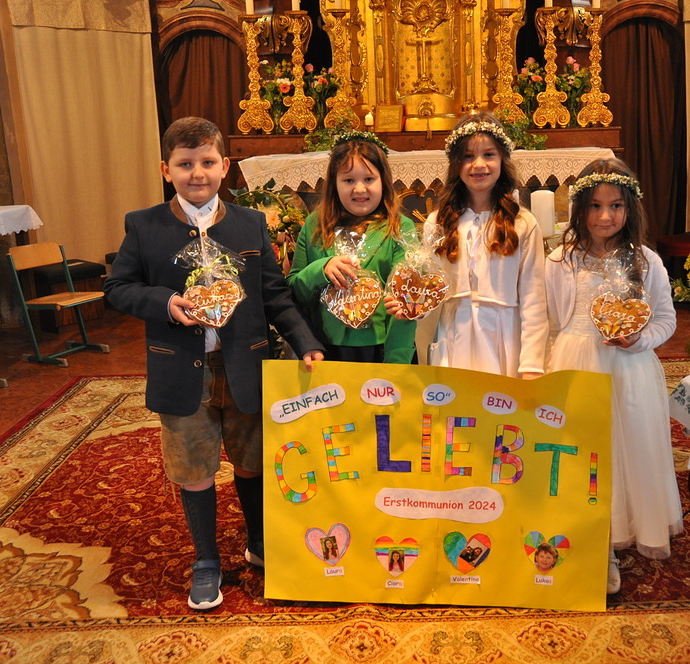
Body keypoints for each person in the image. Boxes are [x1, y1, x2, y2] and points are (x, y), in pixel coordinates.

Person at [104, 116, 325, 611]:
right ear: (166, 170)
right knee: (194, 466)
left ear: (225, 166)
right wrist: (165, 302)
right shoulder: (144, 225)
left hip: (245, 365)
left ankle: (259, 541)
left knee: (252, 460)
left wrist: (305, 341)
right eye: (185, 164)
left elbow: (274, 294)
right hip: (184, 370)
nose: (197, 173)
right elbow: (118, 288)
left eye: (207, 162)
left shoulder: (249, 223)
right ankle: (206, 559)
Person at [544, 157, 683, 595]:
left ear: (630, 208)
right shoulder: (560, 260)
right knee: (581, 453)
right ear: (579, 208)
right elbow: (550, 320)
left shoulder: (647, 261)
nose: (605, 216)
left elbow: (666, 320)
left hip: (630, 370)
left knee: (628, 450)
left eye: (616, 206)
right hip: (576, 362)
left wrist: (639, 340)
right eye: (595, 206)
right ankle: (590, 540)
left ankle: (615, 533)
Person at [388, 112, 547, 378]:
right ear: (456, 164)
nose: (478, 164)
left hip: (504, 340)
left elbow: (534, 301)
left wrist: (531, 366)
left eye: (489, 155)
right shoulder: (437, 222)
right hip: (453, 336)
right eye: (468, 156)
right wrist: (412, 308)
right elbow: (430, 289)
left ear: (502, 159)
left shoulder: (522, 223)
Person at [287, 130, 417, 364]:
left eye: (369, 179)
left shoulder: (400, 228)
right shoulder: (315, 225)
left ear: (383, 181)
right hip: (325, 349)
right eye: (348, 180)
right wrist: (321, 269)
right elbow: (295, 290)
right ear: (334, 184)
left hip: (383, 348)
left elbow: (406, 299)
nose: (359, 189)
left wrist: (397, 362)